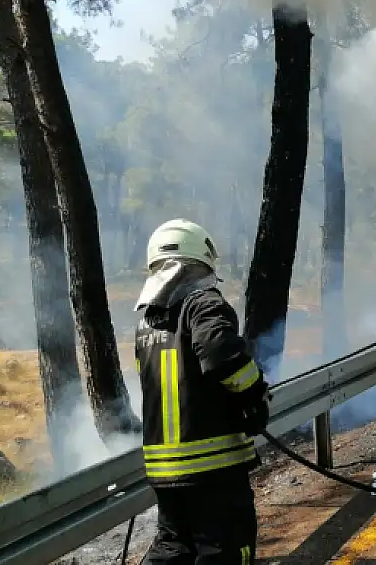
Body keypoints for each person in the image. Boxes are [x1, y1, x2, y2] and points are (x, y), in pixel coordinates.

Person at [134, 218, 270, 564]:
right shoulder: (203, 303)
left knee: (173, 550)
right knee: (224, 549)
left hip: (164, 470)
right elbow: (221, 355)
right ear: (201, 262)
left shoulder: (146, 322)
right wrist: (255, 396)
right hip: (214, 467)